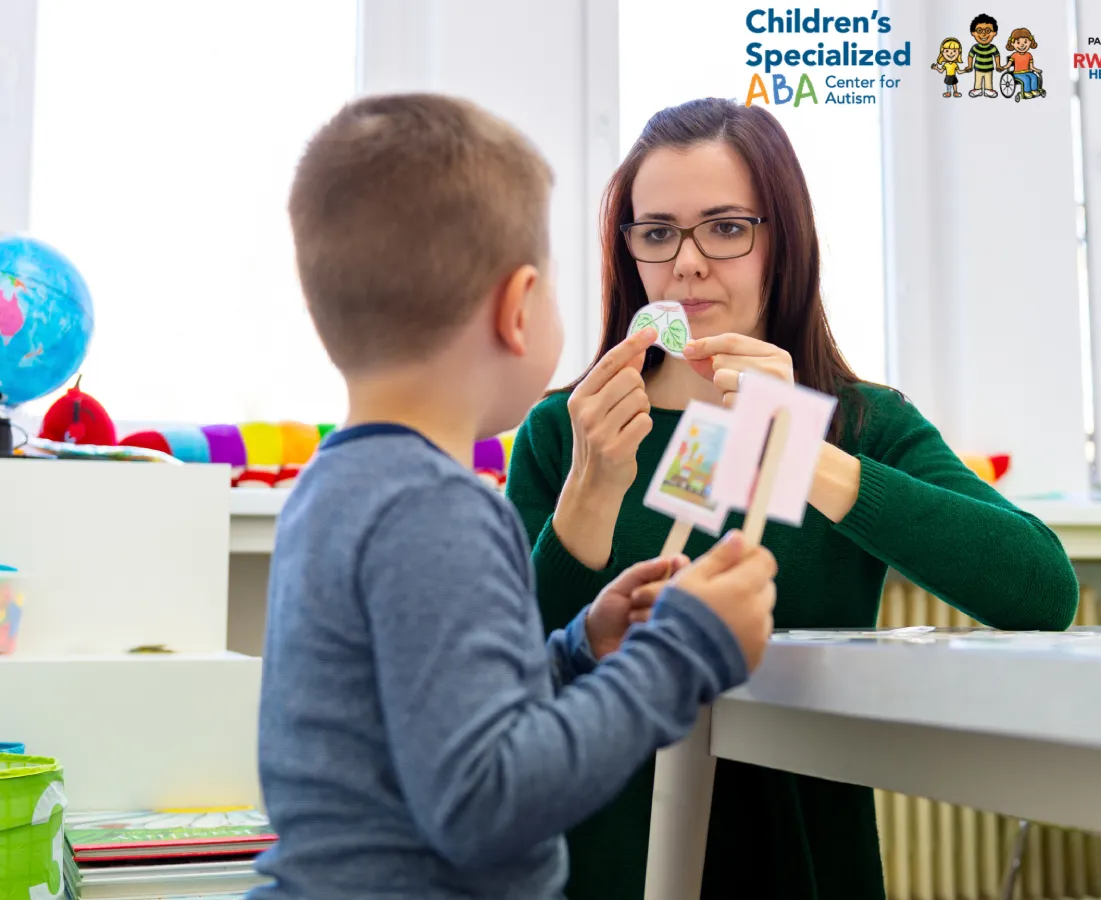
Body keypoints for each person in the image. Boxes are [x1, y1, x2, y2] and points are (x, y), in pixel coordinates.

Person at [506, 97, 1080, 900]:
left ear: (787, 240)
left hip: (802, 859)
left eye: (727, 227)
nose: (689, 263)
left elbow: (1041, 591)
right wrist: (590, 497)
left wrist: (811, 453)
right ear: (627, 249)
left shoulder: (866, 423)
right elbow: (514, 690)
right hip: (603, 862)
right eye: (658, 231)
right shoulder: (565, 431)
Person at [250, 93, 779, 900]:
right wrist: (687, 648)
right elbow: (486, 800)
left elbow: (434, 721)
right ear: (517, 307)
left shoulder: (332, 486)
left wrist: (576, 650)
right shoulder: (441, 511)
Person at [962, 13, 1003, 98]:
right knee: (978, 80)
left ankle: (988, 90)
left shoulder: (992, 48)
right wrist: (969, 65)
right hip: (978, 68)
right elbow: (971, 56)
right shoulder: (975, 47)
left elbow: (997, 56)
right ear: (973, 33)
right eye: (979, 31)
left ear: (994, 33)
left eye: (988, 31)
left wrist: (998, 65)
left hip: (989, 69)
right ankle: (977, 90)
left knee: (988, 80)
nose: (984, 34)